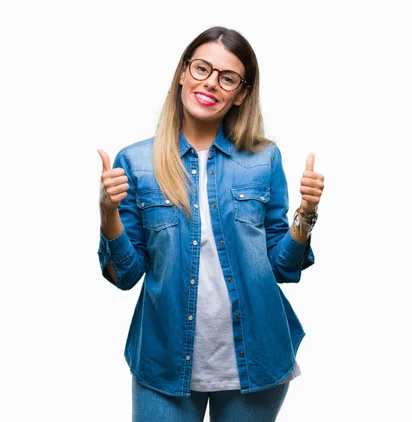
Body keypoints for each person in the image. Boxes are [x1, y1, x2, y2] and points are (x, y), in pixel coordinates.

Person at [96, 26, 324, 421]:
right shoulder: (135, 163)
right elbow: (125, 275)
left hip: (257, 358)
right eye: (201, 68)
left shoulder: (263, 160)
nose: (211, 83)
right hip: (164, 361)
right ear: (183, 72)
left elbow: (283, 268)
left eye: (227, 77)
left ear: (241, 94)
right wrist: (107, 214)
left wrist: (305, 214)